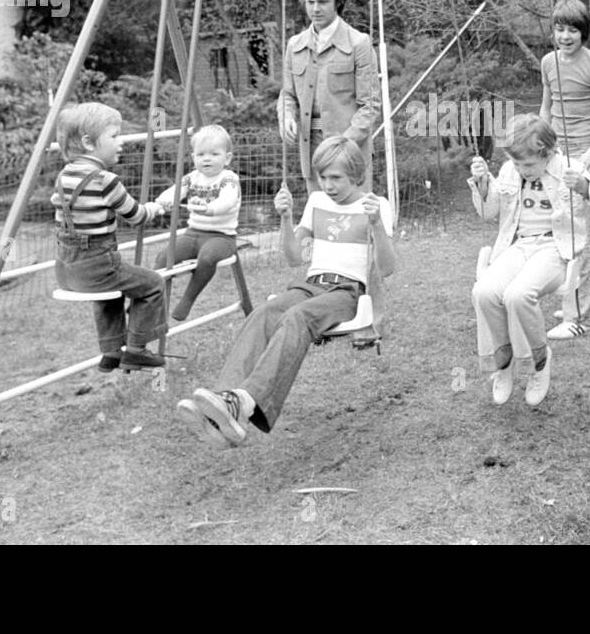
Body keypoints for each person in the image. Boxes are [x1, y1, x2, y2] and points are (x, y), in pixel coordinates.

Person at [175, 136, 396, 448]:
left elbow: (387, 267)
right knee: (262, 314)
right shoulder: (317, 202)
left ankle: (245, 401)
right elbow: (294, 257)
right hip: (311, 283)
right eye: (323, 177)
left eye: (336, 178)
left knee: (297, 317)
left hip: (346, 291)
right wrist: (286, 218)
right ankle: (222, 405)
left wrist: (374, 224)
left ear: (356, 176)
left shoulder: (375, 206)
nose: (328, 185)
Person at [469, 114, 590, 407]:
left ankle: (538, 362)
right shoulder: (509, 170)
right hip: (518, 246)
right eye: (516, 164)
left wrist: (583, 187)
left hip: (555, 247)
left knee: (518, 295)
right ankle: (504, 361)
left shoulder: (571, 169)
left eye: (527, 165)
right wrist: (482, 183)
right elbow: (488, 214)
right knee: (484, 292)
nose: (521, 170)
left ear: (549, 153)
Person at [52, 102, 166, 372]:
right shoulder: (106, 180)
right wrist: (157, 208)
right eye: (114, 136)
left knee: (110, 295)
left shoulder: (63, 176)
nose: (121, 142)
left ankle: (112, 352)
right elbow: (136, 216)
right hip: (97, 265)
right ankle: (137, 349)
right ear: (89, 143)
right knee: (153, 284)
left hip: (67, 269)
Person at [538, 0, 590, 340]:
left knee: (580, 238)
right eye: (560, 29)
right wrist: (542, 143)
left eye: (573, 29)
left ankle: (578, 316)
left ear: (584, 32)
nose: (565, 36)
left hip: (587, 155)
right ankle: (573, 297)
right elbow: (547, 107)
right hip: (557, 154)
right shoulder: (547, 63)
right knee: (559, 229)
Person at [278, 0, 381, 192]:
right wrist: (286, 116)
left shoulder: (358, 43)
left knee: (356, 221)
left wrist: (342, 146)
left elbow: (370, 105)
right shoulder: (294, 45)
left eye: (323, 1)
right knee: (319, 220)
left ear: (338, 2)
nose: (315, 8)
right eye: (310, 1)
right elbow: (287, 94)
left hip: (351, 152)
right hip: (311, 149)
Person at [155, 124, 241, 321]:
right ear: (193, 157)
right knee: (164, 257)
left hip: (222, 236)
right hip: (193, 233)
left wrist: (209, 208)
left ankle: (188, 299)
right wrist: (164, 201)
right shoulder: (191, 178)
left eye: (214, 154)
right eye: (201, 154)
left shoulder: (228, 179)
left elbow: (227, 201)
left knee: (208, 257)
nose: (207, 158)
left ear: (226, 158)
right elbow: (176, 191)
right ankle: (151, 302)